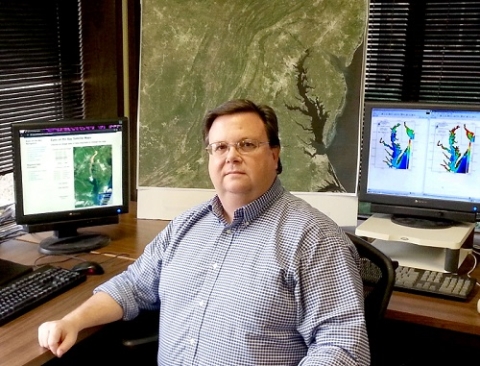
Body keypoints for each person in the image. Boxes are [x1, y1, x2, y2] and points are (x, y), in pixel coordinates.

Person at [38, 99, 370, 365]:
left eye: (247, 144)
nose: (232, 157)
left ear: (274, 154)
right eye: (220, 147)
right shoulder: (186, 225)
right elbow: (133, 285)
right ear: (209, 158)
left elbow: (342, 348)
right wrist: (72, 321)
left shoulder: (314, 239)